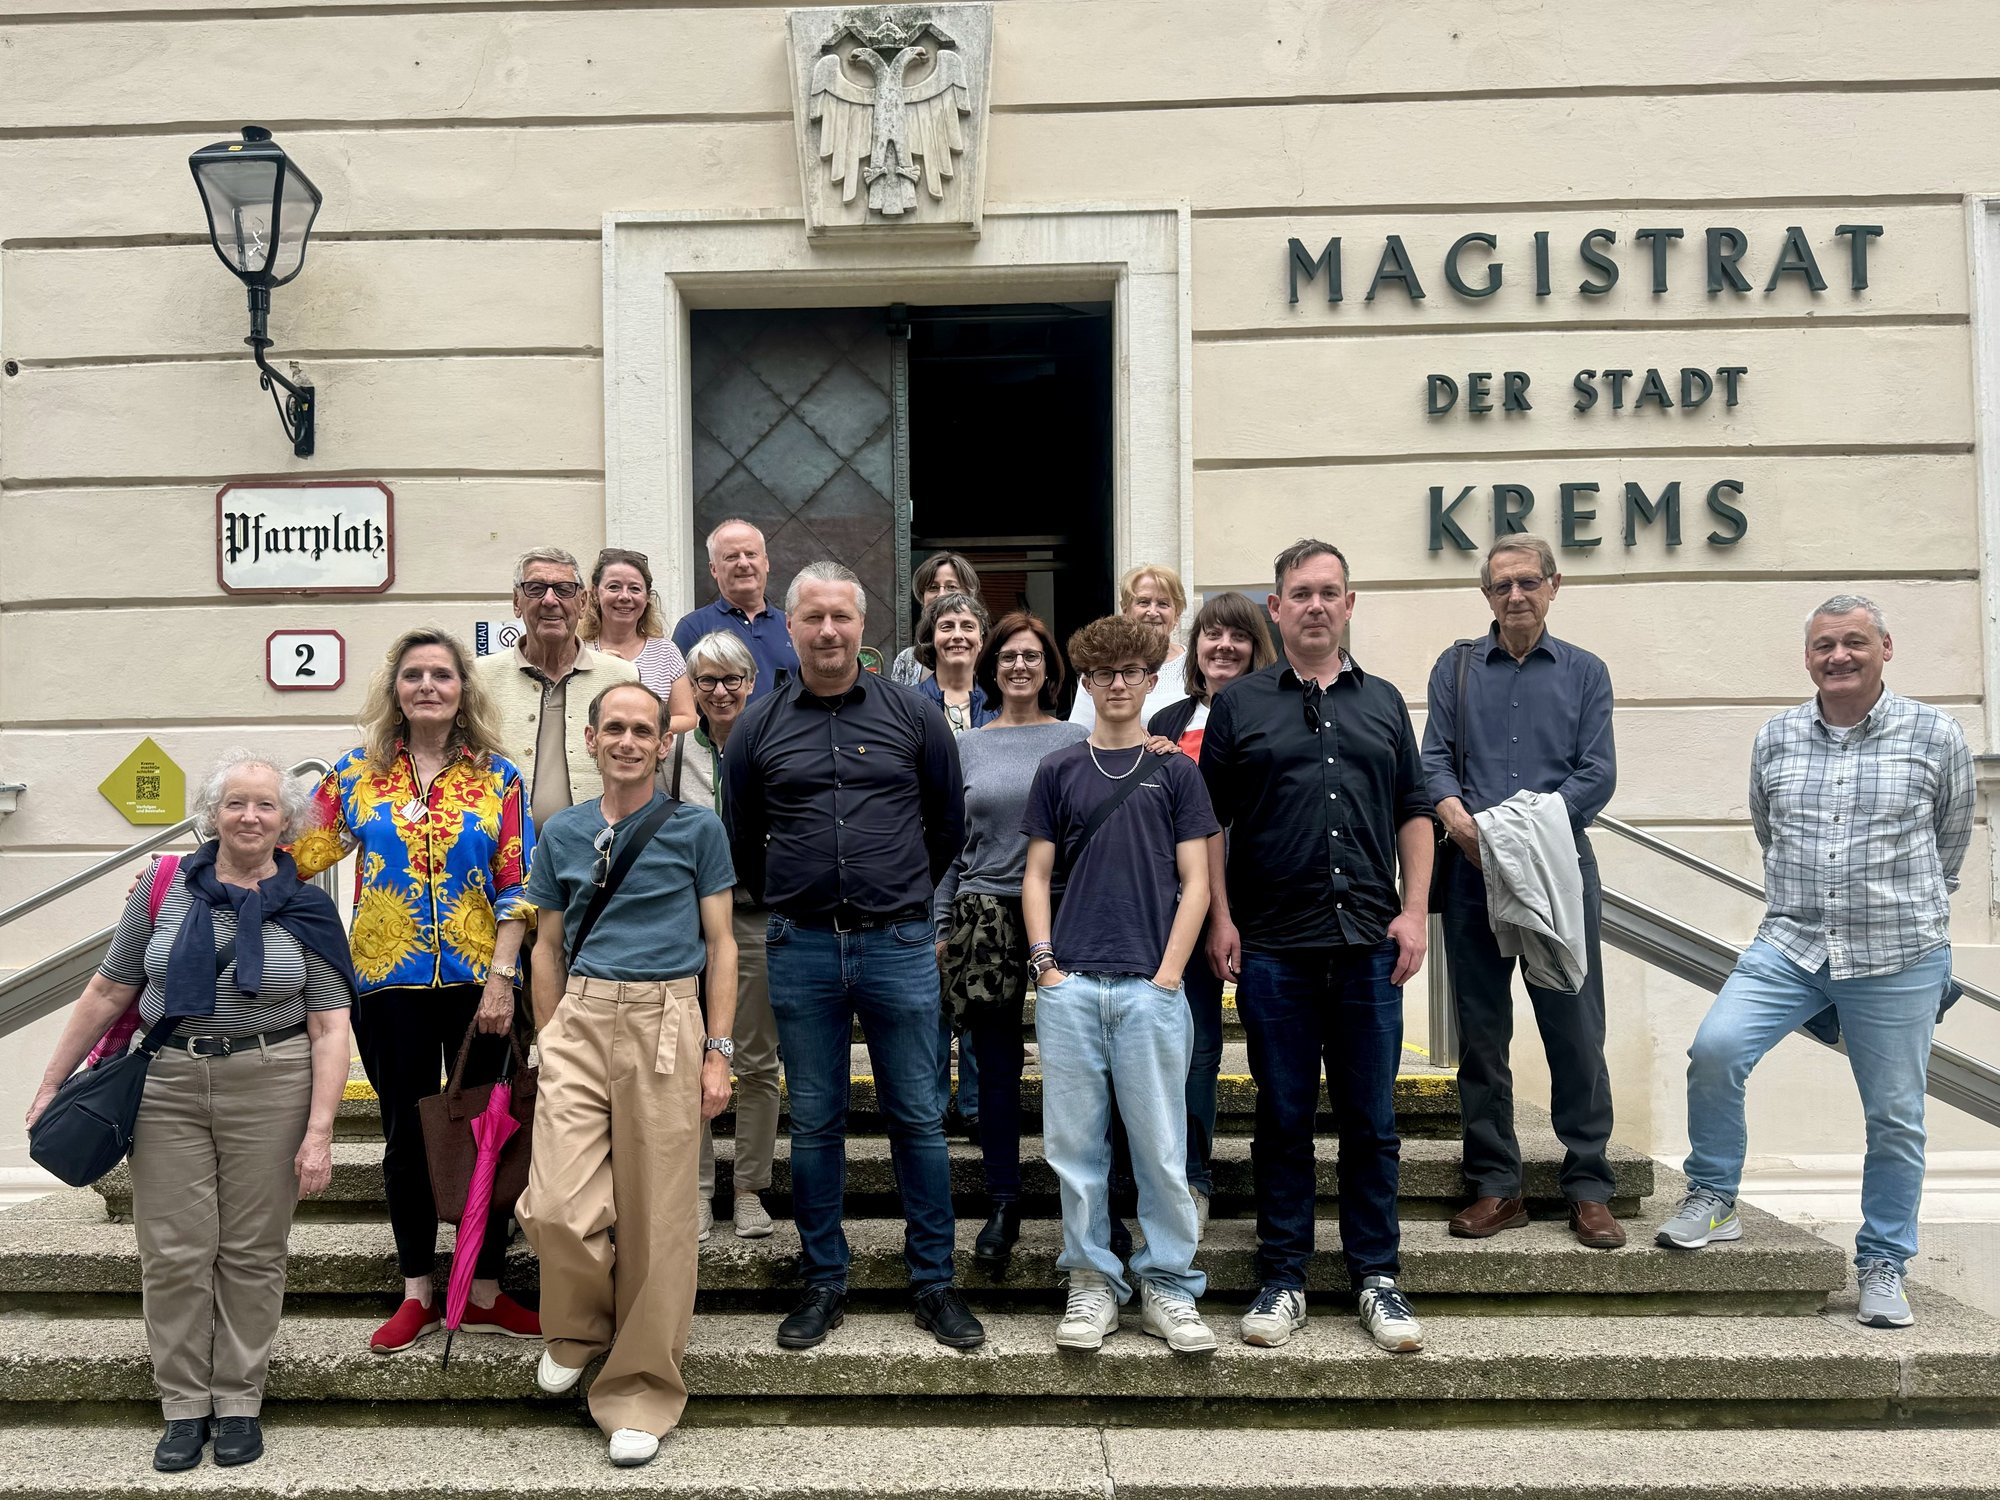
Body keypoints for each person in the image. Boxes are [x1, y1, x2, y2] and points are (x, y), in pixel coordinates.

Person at [28, 752, 354, 1472]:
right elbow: (109, 990)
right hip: (167, 1083)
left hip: (273, 1081)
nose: (249, 817)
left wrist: (320, 1133)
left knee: (252, 1253)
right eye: (235, 803)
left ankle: (238, 1399)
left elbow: (331, 1026)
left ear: (287, 821)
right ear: (212, 814)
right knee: (174, 1254)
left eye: (265, 805)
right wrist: (51, 1082)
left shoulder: (308, 905)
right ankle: (183, 1405)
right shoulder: (164, 886)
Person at [1659, 595, 1972, 1330]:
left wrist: (1899, 907)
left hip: (1898, 953)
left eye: (1855, 642)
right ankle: (1714, 1196)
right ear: (1808, 658)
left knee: (1894, 1117)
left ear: (1885, 649)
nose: (1839, 656)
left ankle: (1883, 1261)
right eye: (1824, 645)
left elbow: (1950, 843)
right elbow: (1771, 831)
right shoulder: (1776, 738)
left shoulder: (1936, 734)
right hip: (1792, 944)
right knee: (1715, 1049)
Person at [724, 561, 982, 1352]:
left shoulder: (915, 717)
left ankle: (934, 1283)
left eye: (841, 617)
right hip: (800, 946)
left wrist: (897, 893)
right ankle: (823, 1281)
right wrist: (800, 895)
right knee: (817, 1124)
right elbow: (742, 837)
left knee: (918, 1120)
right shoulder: (757, 728)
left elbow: (945, 824)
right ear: (791, 627)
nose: (828, 631)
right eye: (813, 618)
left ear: (864, 626)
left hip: (900, 944)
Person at [1202, 539, 1432, 1354]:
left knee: (1372, 1121)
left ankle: (1377, 1277)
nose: (1314, 605)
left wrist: (1415, 912)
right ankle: (1284, 1276)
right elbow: (1209, 823)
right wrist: (1221, 919)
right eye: (1299, 593)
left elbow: (1414, 809)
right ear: (1276, 607)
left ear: (1349, 603)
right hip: (1273, 947)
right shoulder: (1241, 706)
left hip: (1372, 943)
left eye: (1328, 592)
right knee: (1284, 1116)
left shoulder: (1385, 702)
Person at [292, 628, 541, 1352]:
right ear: (394, 690)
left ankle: (487, 1288)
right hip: (386, 984)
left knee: (490, 1131)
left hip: (478, 986)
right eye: (414, 676)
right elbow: (293, 858)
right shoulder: (353, 776)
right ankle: (417, 1292)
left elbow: (516, 883)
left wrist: (502, 977)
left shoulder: (498, 779)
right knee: (405, 1134)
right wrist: (187, 877)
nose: (428, 686)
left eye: (441, 674)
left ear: (464, 689)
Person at [517, 681, 738, 1468]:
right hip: (579, 1016)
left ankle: (640, 1389)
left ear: (662, 742)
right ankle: (579, 1328)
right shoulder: (563, 831)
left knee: (658, 1217)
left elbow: (723, 945)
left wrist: (720, 1050)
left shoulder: (696, 828)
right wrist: (548, 1036)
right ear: (590, 737)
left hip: (666, 1020)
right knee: (555, 1204)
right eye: (615, 727)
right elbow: (545, 945)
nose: (629, 741)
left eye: (643, 729)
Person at [1421, 535, 1623, 1250]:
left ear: (1553, 585)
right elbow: (1434, 761)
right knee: (1481, 1035)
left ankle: (1590, 1185)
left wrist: (1520, 837)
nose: (1516, 596)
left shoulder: (1586, 673)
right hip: (1471, 872)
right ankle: (1496, 1185)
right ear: (1486, 595)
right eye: (1502, 585)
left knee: (1574, 1026)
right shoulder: (1456, 668)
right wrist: (1457, 820)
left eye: (1528, 582)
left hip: (1556, 874)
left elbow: (1596, 775)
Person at [1023, 615, 1218, 1353]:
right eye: (1102, 674)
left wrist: (1168, 977)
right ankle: (1092, 1282)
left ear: (1149, 680)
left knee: (1162, 1149)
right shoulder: (1060, 770)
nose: (1116, 685)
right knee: (1074, 1150)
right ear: (1086, 682)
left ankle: (1168, 1283)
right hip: (1073, 985)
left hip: (1149, 987)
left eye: (1131, 672)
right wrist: (1047, 967)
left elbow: (1196, 883)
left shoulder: (1176, 771)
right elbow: (1035, 875)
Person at [933, 611, 1087, 1273]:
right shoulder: (966, 744)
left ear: (1050, 669)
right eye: (1008, 657)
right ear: (992, 669)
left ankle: (1086, 1201)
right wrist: (941, 925)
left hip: (1066, 909)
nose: (1019, 666)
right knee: (991, 1067)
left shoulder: (1078, 738)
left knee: (1077, 1063)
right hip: (982, 915)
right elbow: (946, 844)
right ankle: (1003, 1200)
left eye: (1031, 656)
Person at [1146, 589, 1277, 1231]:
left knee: (1253, 1047)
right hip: (1174, 909)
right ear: (1195, 647)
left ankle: (1238, 1179)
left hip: (1258, 902)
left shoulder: (1274, 712)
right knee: (1184, 1046)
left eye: (1238, 636)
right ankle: (1178, 1175)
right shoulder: (1166, 720)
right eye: (1211, 635)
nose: (1223, 647)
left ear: (1258, 648)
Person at [670, 630, 784, 1243]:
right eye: (707, 680)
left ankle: (747, 1190)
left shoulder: (772, 740)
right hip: (685, 919)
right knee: (689, 1055)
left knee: (756, 1058)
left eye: (731, 679)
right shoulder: (674, 749)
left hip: (753, 915)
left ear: (751, 682)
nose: (719, 691)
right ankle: (695, 1190)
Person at [473, 545, 640, 834]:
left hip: (596, 853)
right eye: (535, 588)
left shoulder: (621, 677)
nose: (550, 600)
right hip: (500, 857)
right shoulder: (479, 678)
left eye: (564, 589)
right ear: (517, 601)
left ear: (583, 602)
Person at [671, 519, 800, 698]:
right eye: (731, 556)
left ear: (766, 562)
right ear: (713, 569)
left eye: (751, 554)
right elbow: (680, 705)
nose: (744, 563)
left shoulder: (793, 626)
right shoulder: (693, 628)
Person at [579, 546, 699, 736]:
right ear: (595, 592)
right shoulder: (577, 650)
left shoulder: (665, 652)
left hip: (648, 764)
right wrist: (598, 668)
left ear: (647, 597)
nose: (625, 596)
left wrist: (641, 729)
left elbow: (687, 717)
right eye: (614, 587)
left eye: (635, 588)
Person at [1069, 563, 1191, 730]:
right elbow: (1080, 732)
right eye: (1143, 602)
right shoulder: (1102, 664)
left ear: (1176, 615)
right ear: (1125, 610)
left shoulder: (1196, 665)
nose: (1153, 612)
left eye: (1163, 604)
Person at [890, 551, 982, 687]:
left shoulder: (988, 655)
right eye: (933, 588)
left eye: (951, 587)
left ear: (969, 595)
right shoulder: (907, 659)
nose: (941, 594)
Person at [916, 591, 998, 734]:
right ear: (931, 639)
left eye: (968, 626)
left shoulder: (999, 705)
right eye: (947, 627)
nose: (958, 635)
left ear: (981, 641)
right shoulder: (907, 703)